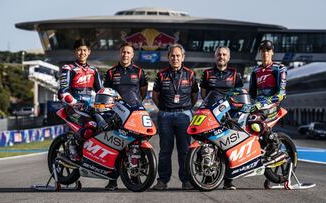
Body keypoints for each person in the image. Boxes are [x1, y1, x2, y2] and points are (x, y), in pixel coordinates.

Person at [152, 43, 199, 190]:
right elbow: (155, 96)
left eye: (178, 55)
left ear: (183, 57)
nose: (175, 58)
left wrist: (184, 108)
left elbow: (195, 96)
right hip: (165, 114)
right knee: (165, 150)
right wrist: (164, 109)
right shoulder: (161, 75)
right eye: (172, 55)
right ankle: (163, 180)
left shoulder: (190, 74)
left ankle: (186, 180)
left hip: (184, 115)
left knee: (184, 150)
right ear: (168, 57)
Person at [103, 43, 148, 190]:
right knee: (115, 146)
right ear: (120, 53)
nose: (125, 55)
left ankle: (135, 177)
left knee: (135, 145)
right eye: (123, 52)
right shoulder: (111, 72)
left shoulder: (139, 72)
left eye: (128, 52)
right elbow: (106, 92)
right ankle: (112, 180)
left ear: (132, 55)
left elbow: (143, 92)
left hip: (134, 113)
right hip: (116, 114)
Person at [200, 46, 244, 190]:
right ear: (215, 56)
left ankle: (228, 180)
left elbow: (240, 93)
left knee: (229, 148)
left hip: (230, 116)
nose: (221, 57)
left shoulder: (235, 73)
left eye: (224, 54)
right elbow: (203, 94)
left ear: (228, 57)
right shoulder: (207, 73)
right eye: (219, 54)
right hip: (211, 115)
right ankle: (208, 177)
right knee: (208, 146)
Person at [58, 38, 103, 162]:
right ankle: (72, 146)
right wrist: (75, 103)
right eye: (79, 50)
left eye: (84, 50)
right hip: (73, 107)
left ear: (89, 52)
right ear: (75, 52)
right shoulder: (69, 68)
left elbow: (101, 91)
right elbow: (63, 92)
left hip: (90, 107)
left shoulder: (94, 70)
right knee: (91, 126)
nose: (82, 53)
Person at [248, 40, 287, 162]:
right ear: (260, 53)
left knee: (255, 120)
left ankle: (275, 146)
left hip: (273, 105)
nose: (265, 53)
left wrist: (264, 103)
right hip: (257, 106)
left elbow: (281, 94)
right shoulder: (255, 71)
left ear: (272, 52)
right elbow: (251, 94)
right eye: (263, 50)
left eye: (268, 50)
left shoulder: (279, 68)